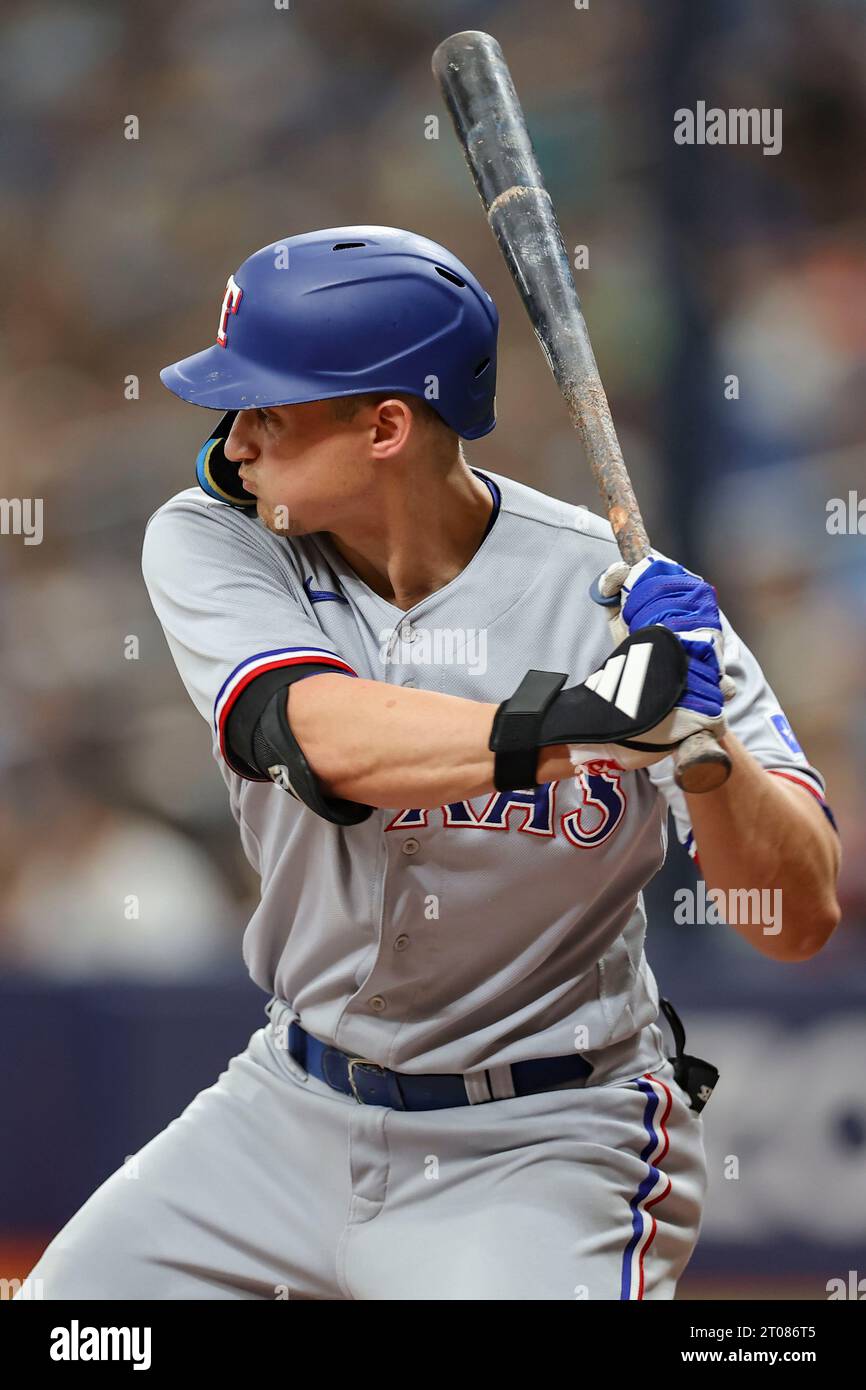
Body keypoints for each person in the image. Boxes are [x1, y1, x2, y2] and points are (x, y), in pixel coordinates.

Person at [20, 226, 840, 1300]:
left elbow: (794, 919)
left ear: (386, 425)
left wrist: (697, 745)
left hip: (546, 1137)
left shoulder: (617, 602)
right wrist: (588, 718)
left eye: (267, 406)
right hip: (286, 1108)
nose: (234, 441)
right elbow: (315, 736)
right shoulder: (218, 537)